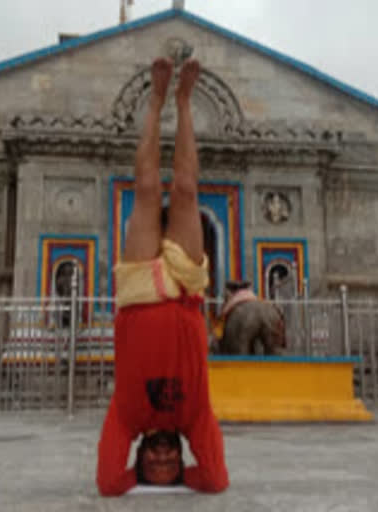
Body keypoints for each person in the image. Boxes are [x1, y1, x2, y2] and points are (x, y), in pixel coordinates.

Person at [95, 57, 230, 496]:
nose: (163, 457)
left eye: (153, 460)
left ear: (138, 454)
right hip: (187, 292)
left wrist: (136, 477)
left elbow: (109, 483)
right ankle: (185, 102)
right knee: (188, 189)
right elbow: (215, 480)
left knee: (148, 188)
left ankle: (155, 101)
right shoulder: (195, 419)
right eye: (169, 462)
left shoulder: (127, 417)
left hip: (137, 295)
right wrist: (182, 479)